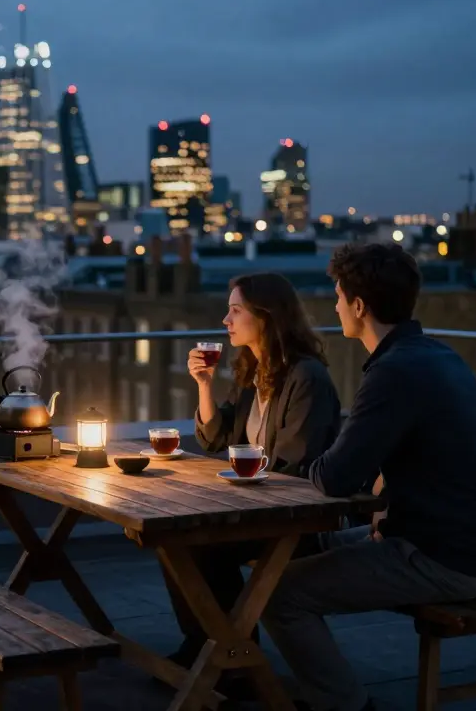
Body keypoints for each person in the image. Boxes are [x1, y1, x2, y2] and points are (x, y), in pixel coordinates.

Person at [263, 242, 476, 711]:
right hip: (462, 540)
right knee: (295, 551)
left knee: (279, 593)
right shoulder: (437, 356)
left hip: (442, 558)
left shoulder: (393, 372)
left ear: (359, 306)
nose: (334, 306)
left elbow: (334, 477)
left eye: (338, 297)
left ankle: (347, 705)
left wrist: (312, 459)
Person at [162, 272, 343, 673]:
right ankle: (208, 646)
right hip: (259, 506)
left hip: (298, 517)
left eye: (235, 310)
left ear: (265, 316)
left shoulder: (306, 378)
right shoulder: (253, 374)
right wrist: (204, 386)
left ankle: (231, 660)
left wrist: (229, 492)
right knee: (174, 539)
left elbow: (294, 467)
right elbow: (216, 439)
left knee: (198, 544)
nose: (226, 320)